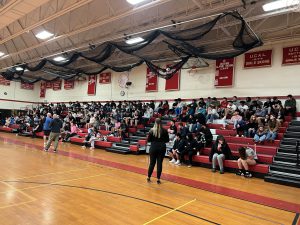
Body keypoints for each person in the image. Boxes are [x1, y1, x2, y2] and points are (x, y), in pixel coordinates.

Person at [147, 118, 169, 184]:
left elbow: (148, 140)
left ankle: (148, 177)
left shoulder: (151, 131)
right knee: (159, 164)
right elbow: (167, 140)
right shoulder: (164, 130)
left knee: (152, 163)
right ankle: (158, 179)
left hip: (153, 147)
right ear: (161, 123)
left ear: (155, 123)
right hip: (162, 147)